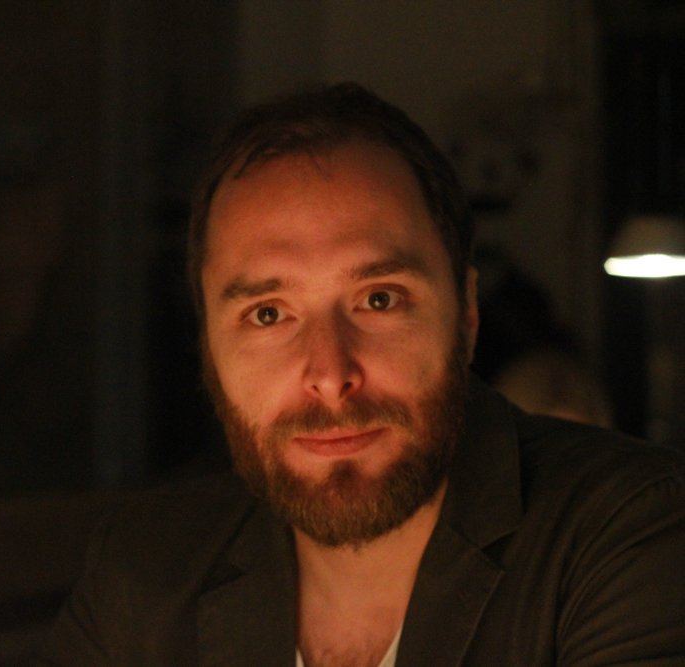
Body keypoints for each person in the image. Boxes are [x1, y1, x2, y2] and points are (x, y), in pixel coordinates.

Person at [33, 82, 685, 666]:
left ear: (465, 315)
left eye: (379, 299)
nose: (329, 374)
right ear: (207, 345)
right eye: (268, 313)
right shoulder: (144, 569)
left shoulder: (632, 533)